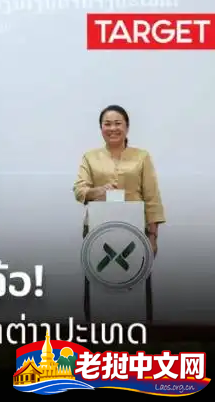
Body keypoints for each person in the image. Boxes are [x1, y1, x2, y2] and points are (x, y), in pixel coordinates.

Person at [73, 104, 165, 323]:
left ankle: (138, 335)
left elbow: (152, 197)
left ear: (127, 127)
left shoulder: (142, 156)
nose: (112, 128)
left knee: (135, 285)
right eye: (107, 124)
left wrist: (153, 236)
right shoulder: (90, 157)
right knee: (99, 286)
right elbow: (79, 190)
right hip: (98, 232)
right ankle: (96, 335)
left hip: (135, 232)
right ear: (101, 128)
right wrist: (97, 191)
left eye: (117, 123)